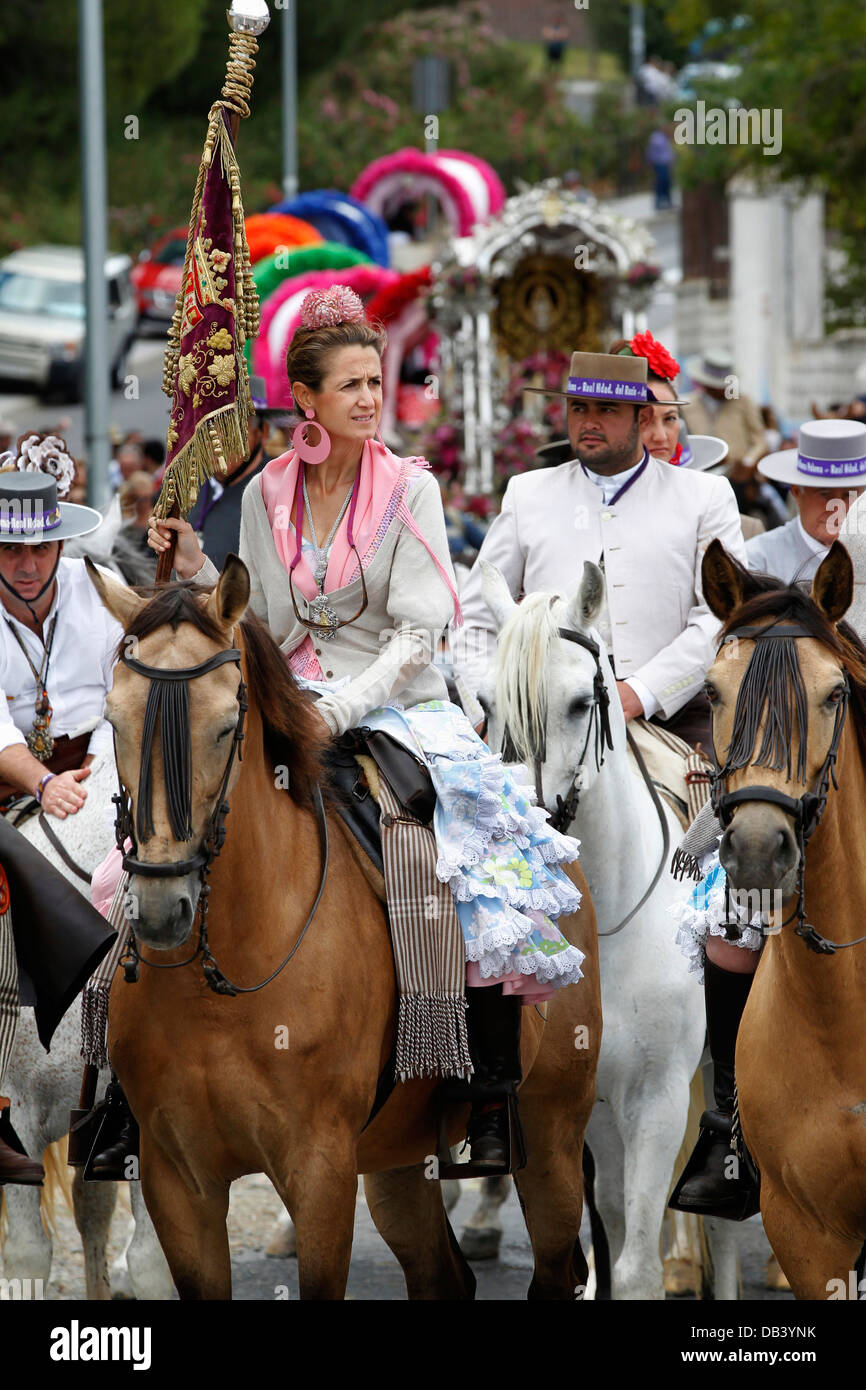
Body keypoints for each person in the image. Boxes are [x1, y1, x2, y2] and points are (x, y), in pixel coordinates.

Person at [145, 286, 588, 1168]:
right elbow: (258, 616)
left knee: (452, 851)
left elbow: (422, 629)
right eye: (348, 385)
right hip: (288, 698)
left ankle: (484, 1084)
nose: (367, 401)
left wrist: (344, 707)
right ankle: (130, 1079)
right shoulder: (268, 490)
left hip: (401, 704)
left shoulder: (412, 488)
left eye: (374, 384)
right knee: (172, 817)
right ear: (304, 400)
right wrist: (194, 572)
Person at [453, 347, 747, 752]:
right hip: (543, 725)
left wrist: (643, 691)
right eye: (578, 408)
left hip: (674, 717)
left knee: (723, 810)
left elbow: (723, 614)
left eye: (606, 409)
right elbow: (472, 621)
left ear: (641, 418)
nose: (588, 422)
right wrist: (490, 708)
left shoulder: (705, 495)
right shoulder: (528, 493)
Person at [0, 434, 119, 814]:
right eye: (11, 549)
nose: (28, 567)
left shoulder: (101, 588)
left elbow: (127, 692)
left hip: (104, 764)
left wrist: (93, 770)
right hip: (10, 783)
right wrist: (47, 784)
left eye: (41, 548)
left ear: (61, 546)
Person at [744, 419, 866, 585]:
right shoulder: (758, 561)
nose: (838, 507)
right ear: (796, 492)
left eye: (849, 495)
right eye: (824, 494)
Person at [185, 376, 277, 572]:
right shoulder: (184, 487)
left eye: (230, 430)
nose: (216, 442)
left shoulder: (281, 492)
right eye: (207, 429)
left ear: (263, 431)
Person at [645, 127, 675, 210]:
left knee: (667, 183)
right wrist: (651, 162)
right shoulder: (657, 138)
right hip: (660, 164)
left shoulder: (665, 138)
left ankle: (667, 202)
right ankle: (659, 203)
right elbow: (652, 152)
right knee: (660, 183)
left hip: (665, 164)